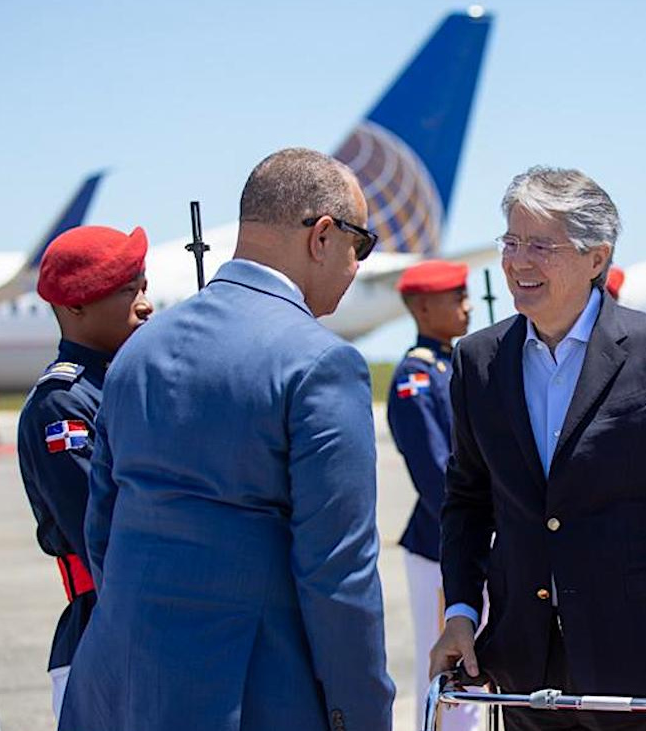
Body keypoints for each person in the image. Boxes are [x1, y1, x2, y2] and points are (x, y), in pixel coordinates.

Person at [59, 148, 394, 731]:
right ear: (321, 236)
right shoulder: (320, 364)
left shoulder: (139, 349)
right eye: (359, 245)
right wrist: (361, 716)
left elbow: (103, 528)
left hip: (116, 688)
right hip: (250, 697)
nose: (358, 264)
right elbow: (338, 576)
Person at [431, 166, 646, 730]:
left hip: (640, 664)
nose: (518, 261)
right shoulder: (477, 361)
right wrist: (461, 610)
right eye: (510, 242)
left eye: (540, 245)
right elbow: (467, 501)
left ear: (596, 258)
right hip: (525, 667)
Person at [15, 224, 153, 720]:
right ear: (74, 307)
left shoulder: (128, 384)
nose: (145, 303)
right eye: (125, 291)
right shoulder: (63, 406)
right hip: (104, 637)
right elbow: (105, 535)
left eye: (143, 285)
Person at [386, 259, 481, 731]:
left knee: (479, 674)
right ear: (423, 307)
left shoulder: (452, 365)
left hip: (476, 541)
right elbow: (434, 477)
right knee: (450, 676)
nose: (467, 307)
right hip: (440, 544)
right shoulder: (416, 377)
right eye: (455, 298)